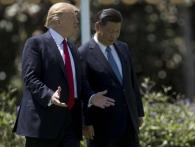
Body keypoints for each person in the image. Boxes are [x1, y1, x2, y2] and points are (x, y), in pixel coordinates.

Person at [13, 3, 115, 147]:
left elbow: (79, 82)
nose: (77, 21)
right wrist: (49, 95)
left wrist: (91, 97)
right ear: (58, 20)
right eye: (73, 17)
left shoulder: (72, 47)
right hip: (43, 125)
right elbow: (30, 78)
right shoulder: (35, 43)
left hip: (70, 125)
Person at [78, 8, 144, 147]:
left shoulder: (123, 47)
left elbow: (132, 82)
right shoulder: (83, 53)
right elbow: (82, 89)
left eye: (117, 31)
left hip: (129, 123)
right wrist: (86, 122)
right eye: (110, 31)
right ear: (97, 27)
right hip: (102, 127)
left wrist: (138, 112)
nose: (114, 36)